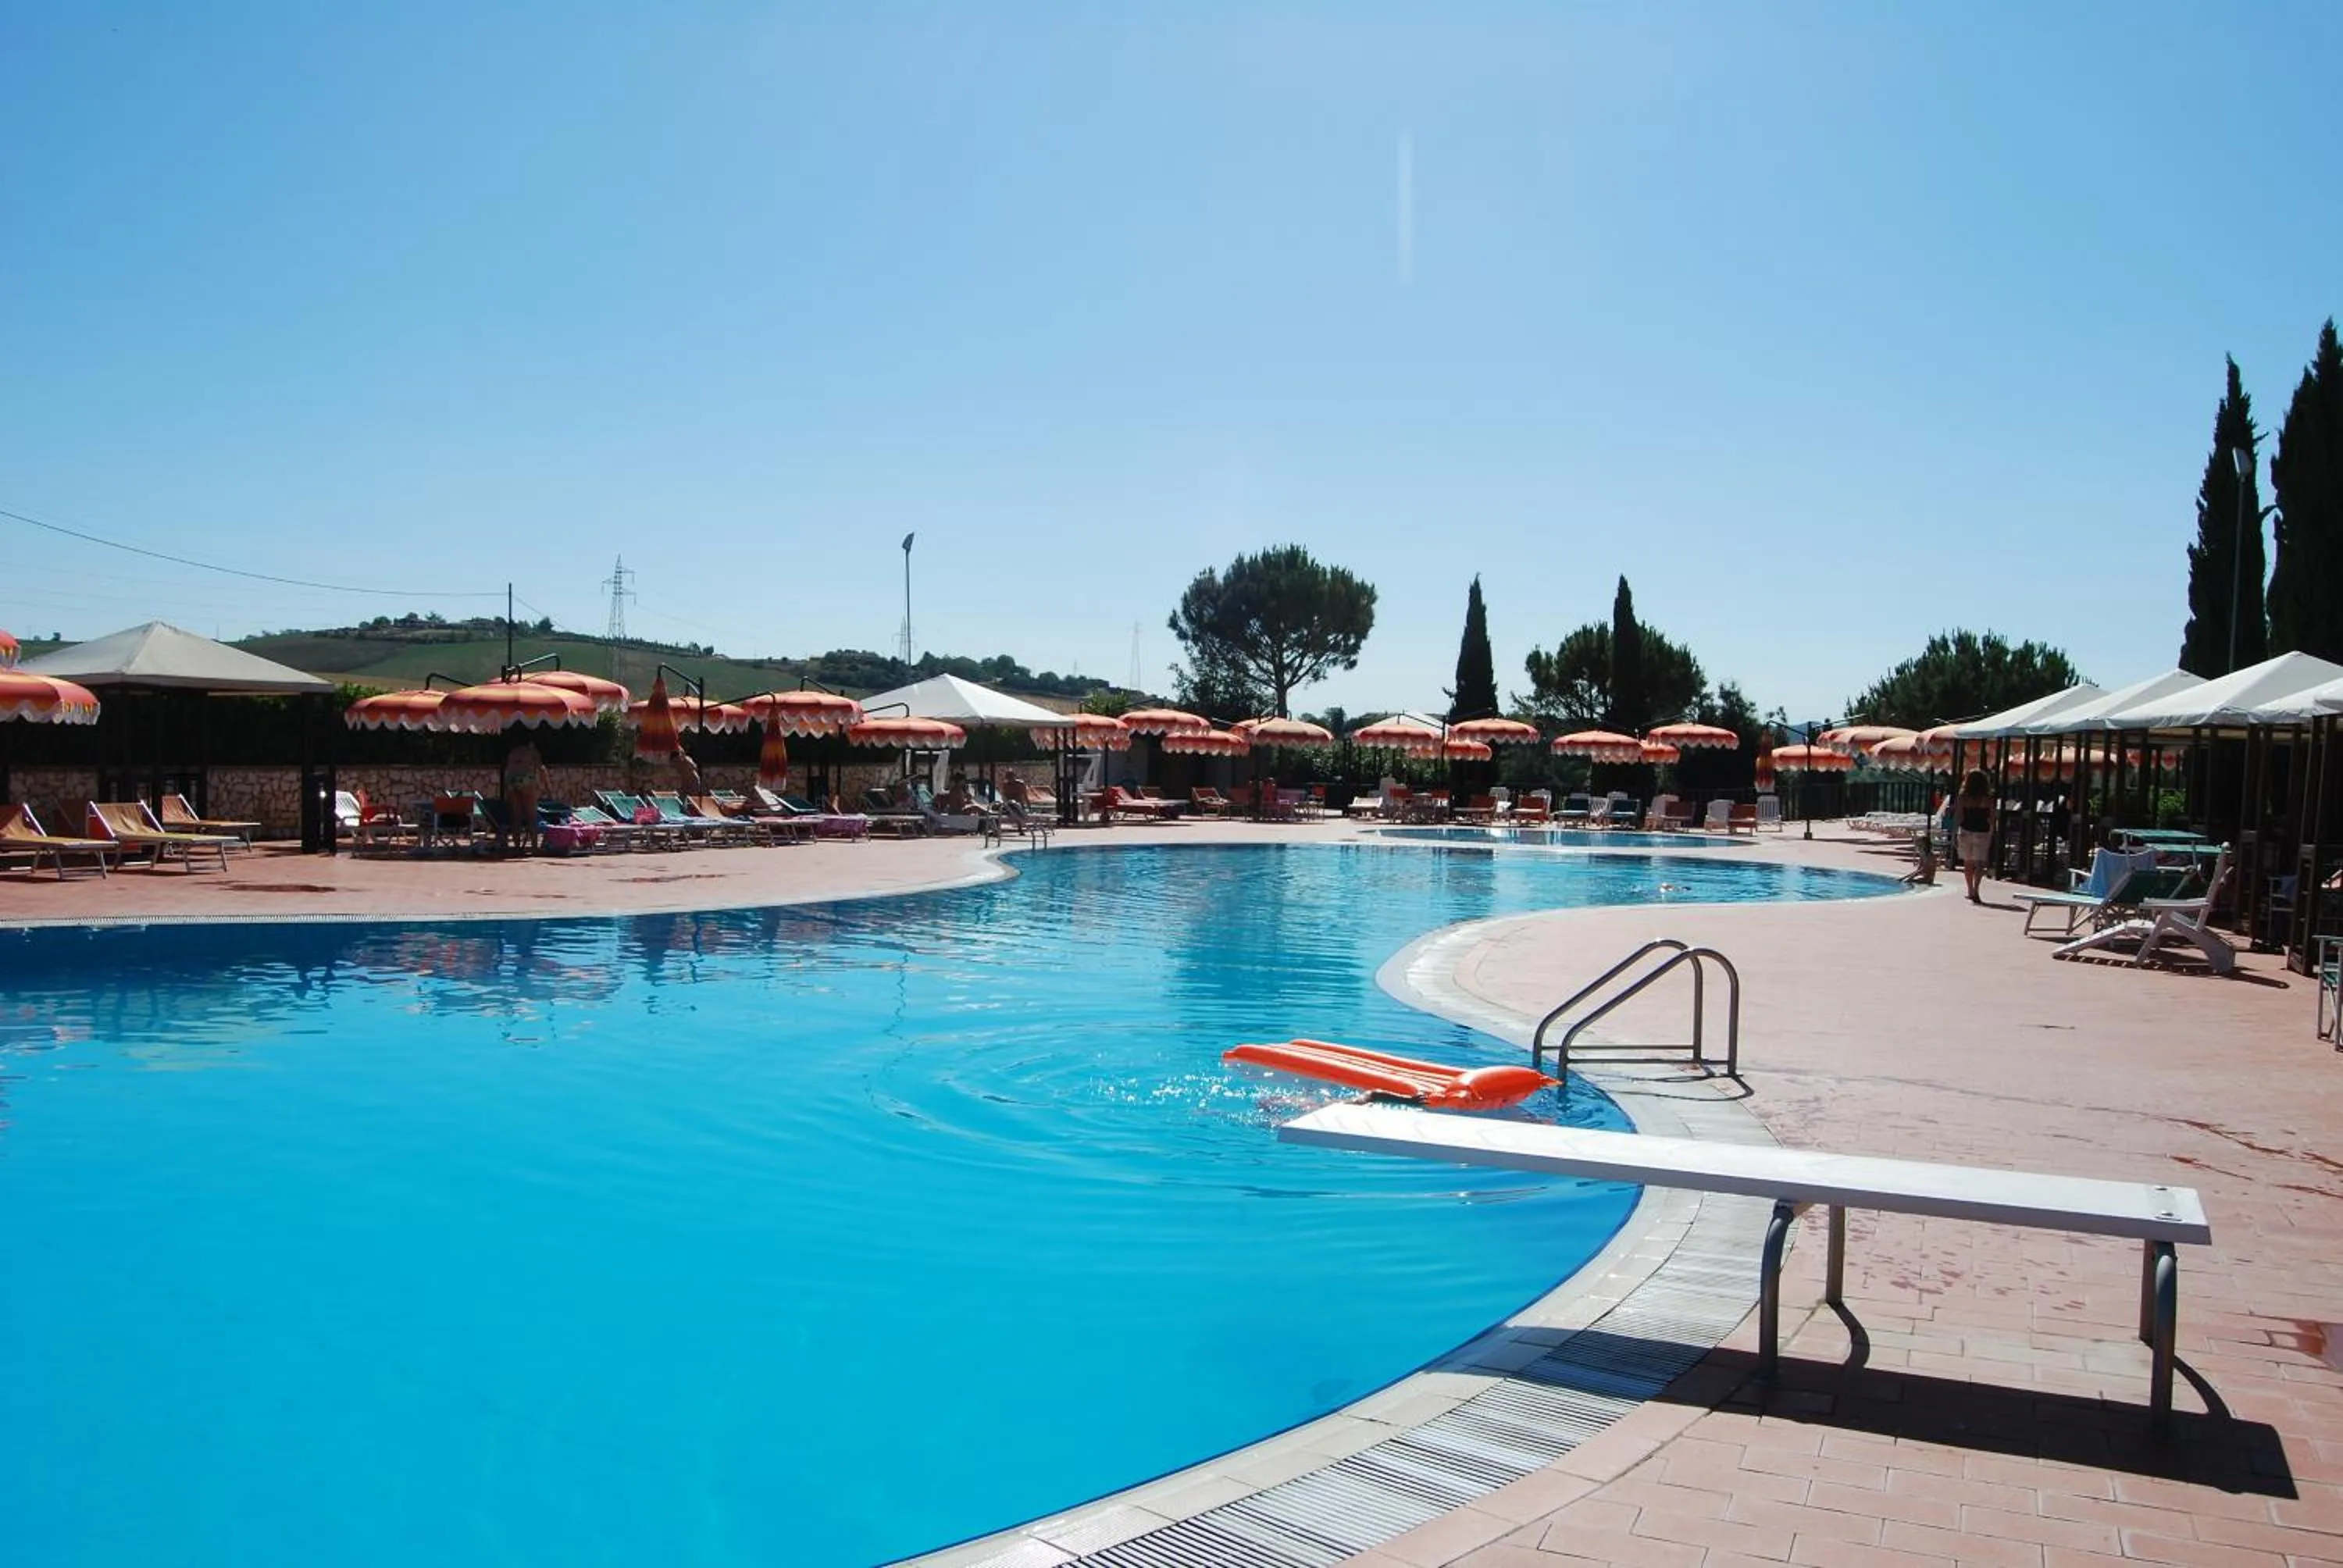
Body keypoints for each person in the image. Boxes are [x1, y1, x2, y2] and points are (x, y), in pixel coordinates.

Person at [1953, 767, 1995, 903]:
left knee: (1968, 862)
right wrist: (1992, 832)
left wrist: (1954, 833)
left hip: (1966, 831)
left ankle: (1970, 890)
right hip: (1982, 831)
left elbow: (1959, 816)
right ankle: (1976, 890)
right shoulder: (1988, 798)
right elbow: (1992, 818)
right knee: (1979, 864)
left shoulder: (1963, 797)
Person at [504, 739, 547, 853]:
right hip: (526, 778)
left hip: (511, 778)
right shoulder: (532, 751)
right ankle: (534, 848)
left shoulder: (513, 751)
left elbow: (508, 768)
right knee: (532, 817)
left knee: (516, 817)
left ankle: (517, 847)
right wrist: (545, 787)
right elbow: (541, 768)